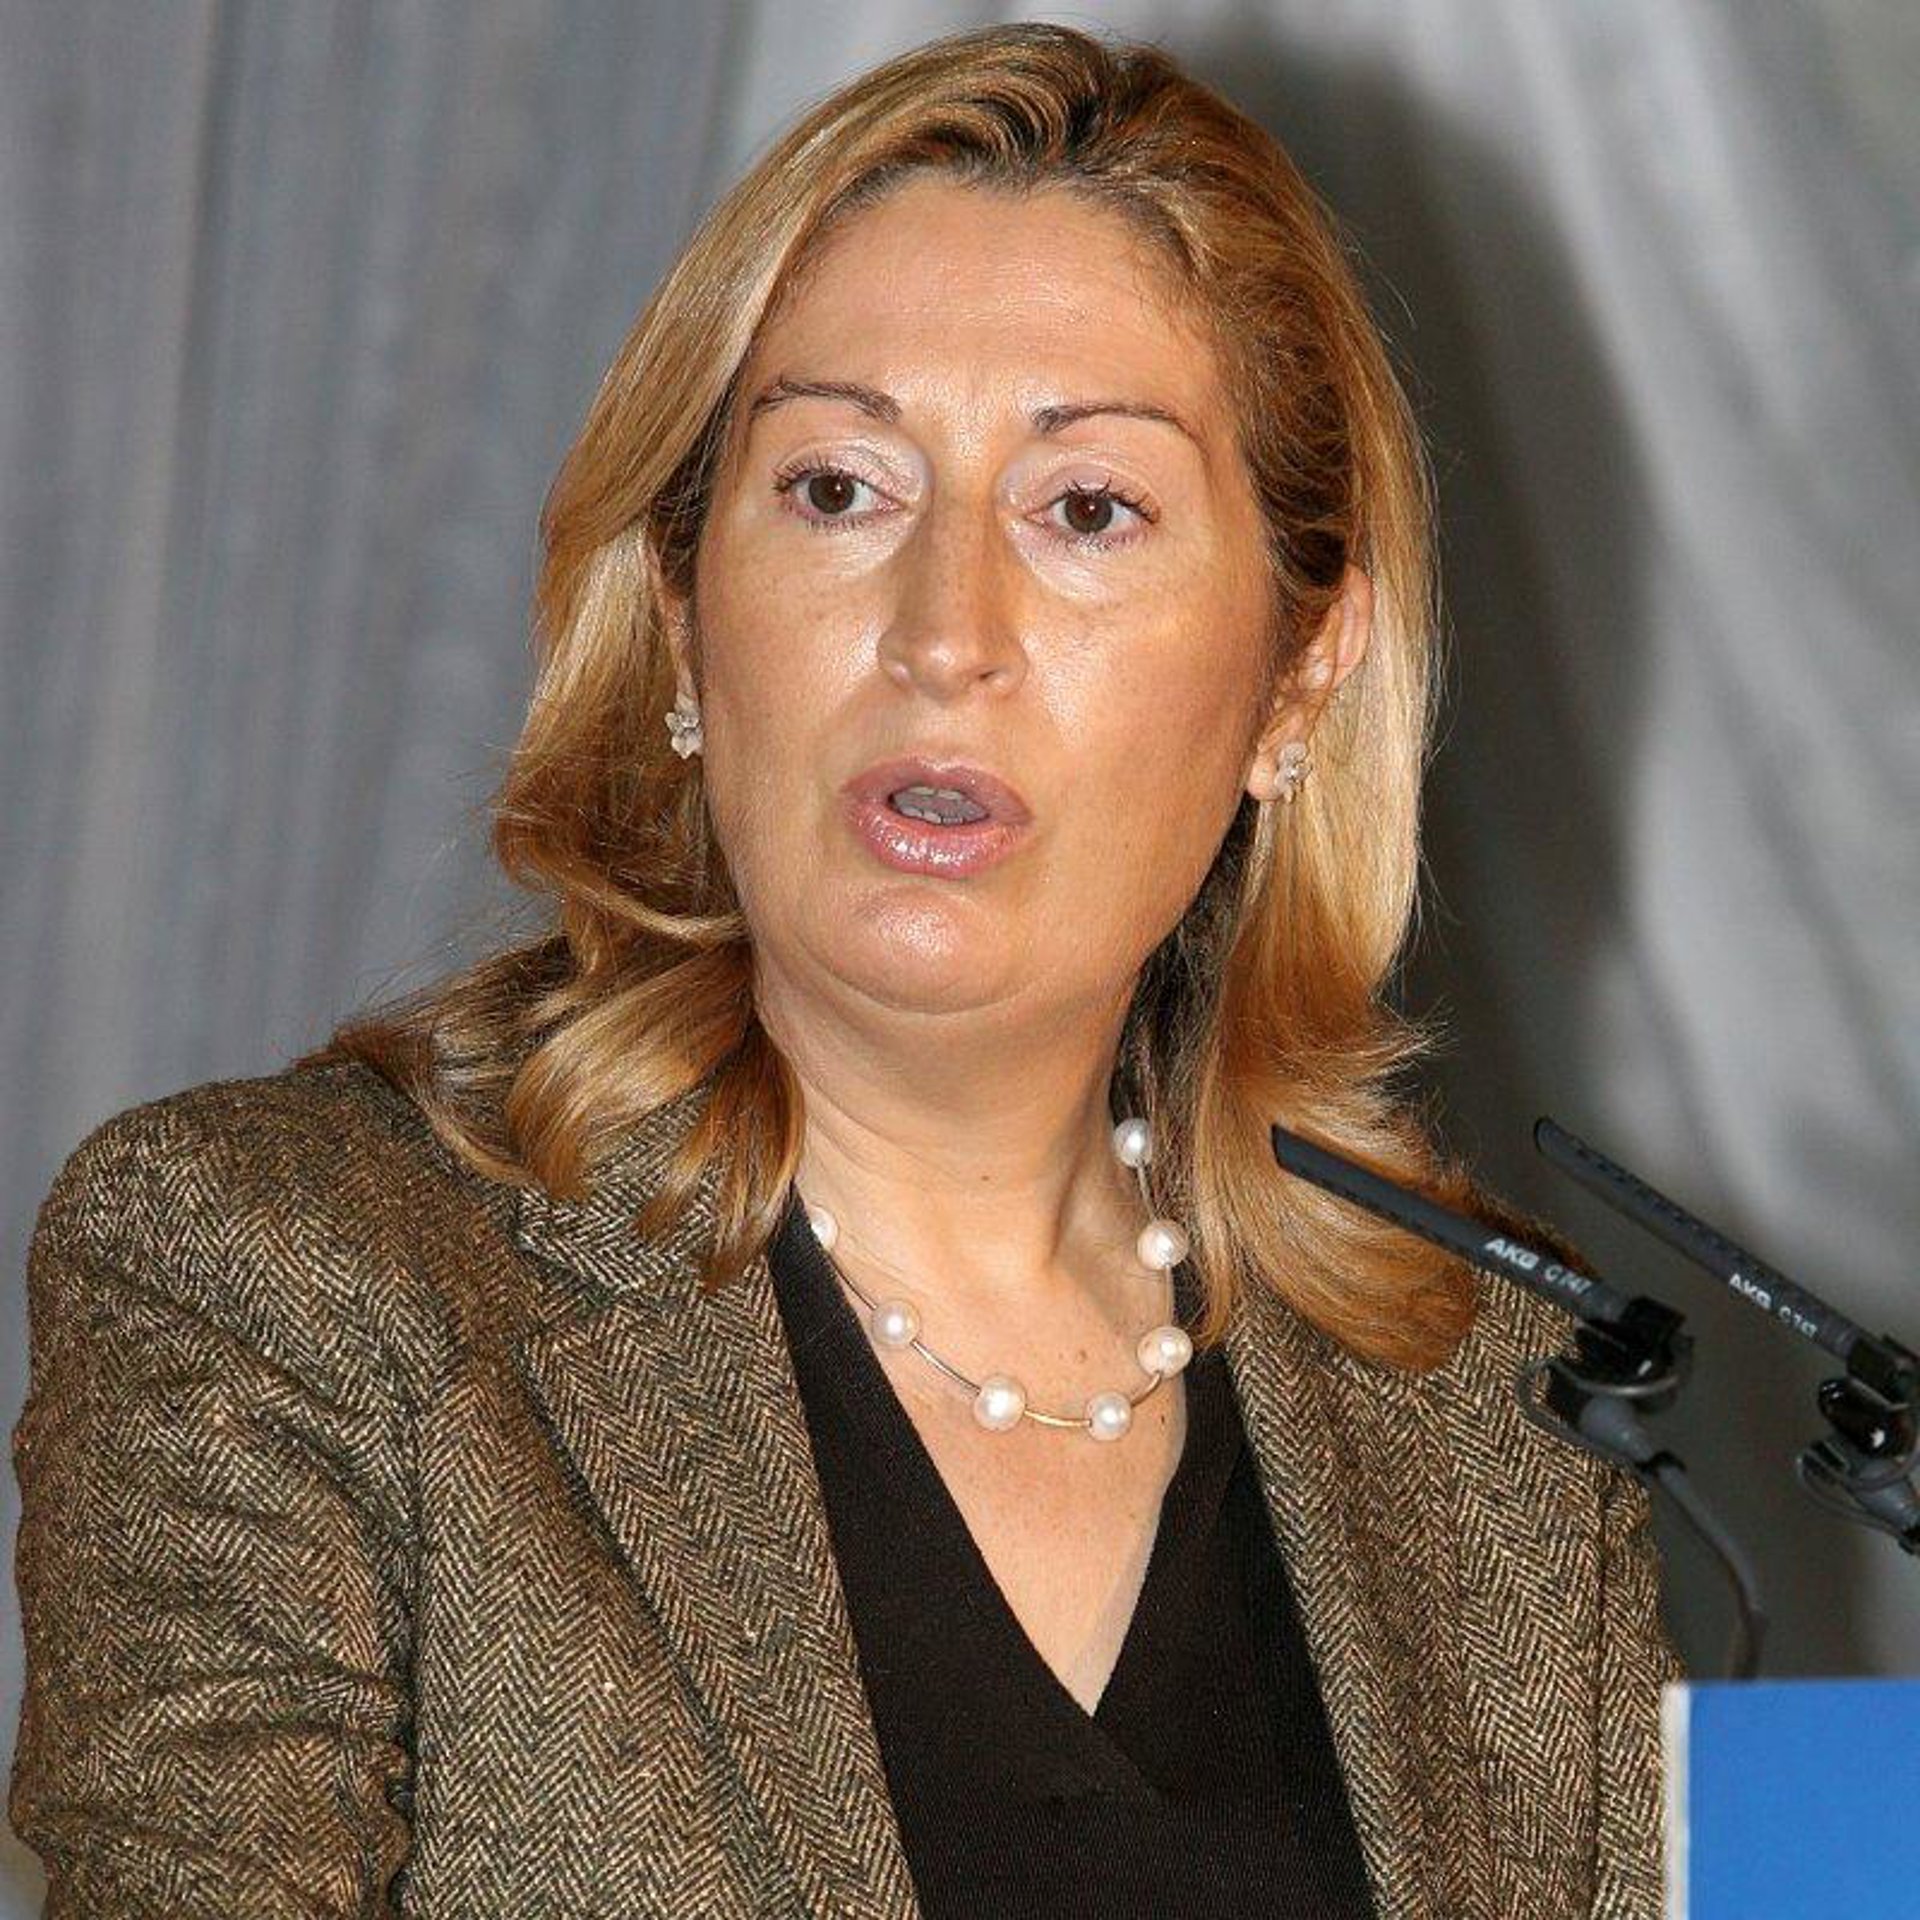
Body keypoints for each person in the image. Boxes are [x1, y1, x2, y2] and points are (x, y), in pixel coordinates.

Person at [9, 21, 1683, 1918]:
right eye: (837, 490)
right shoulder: (295, 1276)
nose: (944, 633)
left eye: (1087, 510)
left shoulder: (1501, 1426)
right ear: (682, 615)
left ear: (1299, 677)